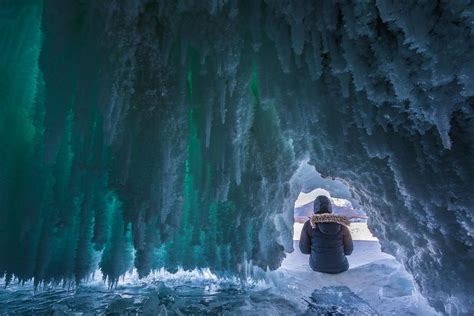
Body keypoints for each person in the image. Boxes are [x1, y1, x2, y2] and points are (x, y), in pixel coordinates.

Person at [299, 195, 353, 274]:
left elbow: (304, 250)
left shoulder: (309, 225)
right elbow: (349, 251)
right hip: (341, 267)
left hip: (317, 267)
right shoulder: (341, 224)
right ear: (330, 208)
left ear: (315, 208)